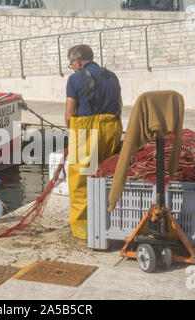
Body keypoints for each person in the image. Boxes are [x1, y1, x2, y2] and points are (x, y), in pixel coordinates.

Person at [65, 44, 123, 239]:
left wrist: (72, 128)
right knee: (108, 174)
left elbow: (69, 114)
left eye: (71, 63)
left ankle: (83, 229)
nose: (72, 67)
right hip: (111, 130)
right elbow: (119, 104)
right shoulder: (111, 76)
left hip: (86, 133)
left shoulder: (74, 79)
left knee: (81, 180)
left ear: (78, 61)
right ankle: (110, 220)